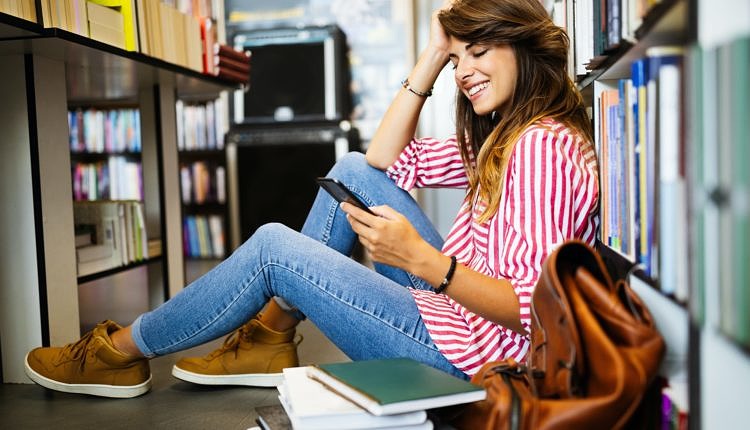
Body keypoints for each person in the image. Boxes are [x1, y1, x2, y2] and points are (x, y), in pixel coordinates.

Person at [24, 0, 598, 398]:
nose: (465, 71)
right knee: (349, 167)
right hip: (462, 320)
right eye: (459, 58)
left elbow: (534, 310)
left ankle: (119, 353)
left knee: (276, 249)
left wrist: (423, 261)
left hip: (473, 360)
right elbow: (381, 160)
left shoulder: (540, 150)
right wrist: (430, 57)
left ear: (526, 47)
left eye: (481, 51)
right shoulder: (510, 136)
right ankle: (268, 340)